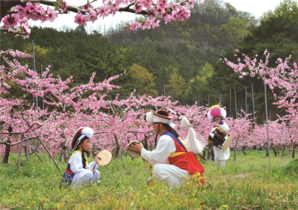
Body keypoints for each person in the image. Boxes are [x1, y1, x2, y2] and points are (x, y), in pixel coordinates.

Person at [129, 109, 205, 187]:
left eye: (154, 124)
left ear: (160, 124)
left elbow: (156, 158)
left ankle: (177, 188)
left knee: (157, 169)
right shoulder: (172, 137)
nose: (153, 126)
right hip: (188, 171)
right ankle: (181, 187)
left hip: (186, 172)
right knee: (158, 167)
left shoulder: (166, 138)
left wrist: (141, 150)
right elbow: (164, 160)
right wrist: (147, 156)